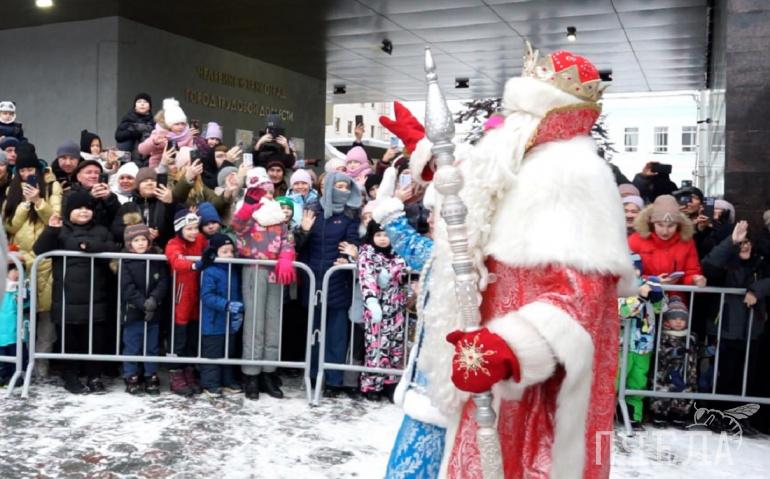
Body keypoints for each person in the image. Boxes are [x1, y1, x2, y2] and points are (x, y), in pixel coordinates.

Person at [376, 48, 636, 478]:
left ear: (549, 115)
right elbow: (473, 180)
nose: (509, 120)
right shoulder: (520, 161)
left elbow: (581, 298)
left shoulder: (574, 176)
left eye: (521, 111)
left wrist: (510, 348)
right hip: (474, 368)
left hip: (523, 389)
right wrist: (428, 150)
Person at [33, 191, 118, 394]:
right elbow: (39, 250)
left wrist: (90, 246)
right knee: (69, 340)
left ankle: (94, 376)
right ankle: (70, 376)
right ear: (69, 210)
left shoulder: (101, 230)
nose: (83, 211)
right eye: (78, 208)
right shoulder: (61, 229)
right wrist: (51, 230)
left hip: (96, 296)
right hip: (66, 297)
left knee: (95, 339)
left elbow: (113, 248)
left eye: (87, 208)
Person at [231, 168, 296, 400]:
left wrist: (286, 258)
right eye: (261, 190)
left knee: (272, 322)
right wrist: (249, 206)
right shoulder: (249, 213)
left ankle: (269, 371)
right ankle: (251, 374)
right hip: (254, 269)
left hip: (274, 272)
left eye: (269, 190)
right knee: (254, 322)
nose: (266, 194)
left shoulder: (278, 215)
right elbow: (237, 226)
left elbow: (287, 239)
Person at [296, 172, 361, 396]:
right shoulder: (312, 211)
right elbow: (298, 246)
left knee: (336, 334)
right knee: (313, 333)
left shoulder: (350, 215)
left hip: (338, 281)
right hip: (313, 279)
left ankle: (334, 379)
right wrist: (303, 231)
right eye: (338, 186)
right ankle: (313, 375)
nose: (342, 191)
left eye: (346, 187)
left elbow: (352, 243)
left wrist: (349, 257)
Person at [3, 144, 62, 377]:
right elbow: (9, 225)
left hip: (46, 258)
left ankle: (41, 366)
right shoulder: (12, 189)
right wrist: (25, 204)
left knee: (47, 317)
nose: (27, 174)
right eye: (22, 170)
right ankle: (21, 363)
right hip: (20, 260)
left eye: (31, 169)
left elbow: (55, 219)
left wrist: (38, 201)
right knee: (21, 316)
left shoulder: (52, 186)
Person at [701, 221, 770, 403]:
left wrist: (756, 290)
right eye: (740, 243)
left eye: (747, 242)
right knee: (723, 375)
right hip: (724, 328)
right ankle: (718, 411)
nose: (744, 246)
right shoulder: (724, 263)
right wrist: (731, 242)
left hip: (752, 329)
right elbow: (708, 266)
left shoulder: (761, 262)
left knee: (746, 377)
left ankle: (741, 413)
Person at [357, 221, 408, 401]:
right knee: (376, 347)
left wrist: (393, 271)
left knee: (395, 346)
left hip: (395, 307)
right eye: (378, 235)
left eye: (386, 235)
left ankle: (390, 383)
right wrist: (371, 300)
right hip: (376, 308)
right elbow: (366, 276)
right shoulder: (367, 253)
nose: (383, 239)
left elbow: (406, 270)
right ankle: (372, 385)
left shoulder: (398, 253)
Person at [118, 217, 168, 395]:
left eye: (143, 240)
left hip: (154, 310)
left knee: (151, 346)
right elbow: (127, 287)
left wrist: (153, 300)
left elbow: (163, 281)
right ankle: (131, 375)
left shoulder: (156, 259)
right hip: (133, 312)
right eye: (136, 240)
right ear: (129, 243)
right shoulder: (126, 261)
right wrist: (142, 304)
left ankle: (150, 374)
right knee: (132, 345)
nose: (140, 243)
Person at [164, 208, 209, 396]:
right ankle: (176, 373)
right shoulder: (173, 243)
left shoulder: (201, 240)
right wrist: (195, 264)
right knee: (179, 337)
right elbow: (177, 261)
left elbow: (210, 249)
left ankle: (189, 371)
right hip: (181, 297)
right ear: (180, 229)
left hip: (196, 296)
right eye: (189, 229)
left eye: (195, 228)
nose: (193, 232)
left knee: (192, 336)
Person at [617, 253, 664, 429]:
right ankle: (606, 414)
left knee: (638, 382)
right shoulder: (618, 287)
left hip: (643, 345)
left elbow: (661, 309)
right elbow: (623, 311)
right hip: (621, 346)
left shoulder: (646, 285)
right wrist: (641, 297)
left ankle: (633, 416)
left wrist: (657, 295)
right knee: (615, 381)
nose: (633, 272)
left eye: (636, 268)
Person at [628, 194, 707, 289]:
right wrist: (653, 281)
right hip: (644, 295)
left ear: (679, 224)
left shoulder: (686, 241)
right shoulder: (635, 240)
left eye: (671, 225)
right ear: (651, 223)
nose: (665, 232)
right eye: (660, 225)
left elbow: (691, 271)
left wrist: (696, 279)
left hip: (675, 296)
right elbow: (628, 274)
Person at [198, 233, 244, 397]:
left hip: (229, 322)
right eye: (224, 252)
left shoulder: (234, 270)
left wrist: (239, 310)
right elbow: (207, 296)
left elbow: (237, 292)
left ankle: (227, 380)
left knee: (228, 351)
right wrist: (226, 305)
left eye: (231, 251)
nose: (229, 255)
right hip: (213, 322)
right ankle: (210, 383)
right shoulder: (210, 271)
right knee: (213, 354)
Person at [649, 297, 699, 428]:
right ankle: (659, 415)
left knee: (685, 392)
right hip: (666, 373)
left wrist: (706, 351)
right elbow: (661, 352)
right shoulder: (663, 336)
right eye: (674, 318)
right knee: (663, 392)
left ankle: (679, 415)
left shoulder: (691, 336)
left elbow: (697, 352)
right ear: (667, 320)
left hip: (686, 373)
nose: (678, 321)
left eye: (682, 319)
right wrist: (674, 352)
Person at [112, 167, 175, 248]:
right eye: (145, 181)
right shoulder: (128, 206)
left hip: (162, 250)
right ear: (138, 186)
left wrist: (170, 204)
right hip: (133, 252)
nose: (150, 183)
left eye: (153, 180)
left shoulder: (167, 204)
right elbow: (116, 230)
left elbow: (177, 228)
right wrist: (140, 231)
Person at [138, 98, 195, 169]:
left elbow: (190, 154)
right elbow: (142, 150)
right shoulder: (159, 133)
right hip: (158, 166)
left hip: (180, 169)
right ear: (168, 124)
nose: (180, 127)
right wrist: (154, 142)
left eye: (183, 123)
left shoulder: (187, 135)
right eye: (177, 124)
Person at [115, 93, 154, 165]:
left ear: (149, 106)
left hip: (148, 158)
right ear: (135, 106)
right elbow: (118, 136)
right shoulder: (128, 118)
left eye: (145, 102)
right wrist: (132, 133)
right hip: (129, 159)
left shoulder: (153, 121)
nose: (142, 104)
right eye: (139, 102)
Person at [0, 262, 23, 386]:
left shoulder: (21, 288)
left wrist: (23, 297)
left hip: (14, 331)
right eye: (14, 270)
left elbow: (27, 305)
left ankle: (15, 375)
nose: (17, 273)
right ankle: (3, 375)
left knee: (15, 354)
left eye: (19, 270)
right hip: (3, 330)